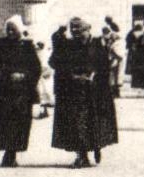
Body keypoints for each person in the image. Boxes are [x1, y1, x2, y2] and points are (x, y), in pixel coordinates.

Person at [50, 17, 118, 167]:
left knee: (93, 122)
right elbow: (56, 61)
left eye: (81, 32)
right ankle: (82, 155)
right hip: (75, 91)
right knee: (77, 122)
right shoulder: (69, 45)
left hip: (94, 92)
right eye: (74, 33)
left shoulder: (97, 45)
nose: (78, 36)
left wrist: (94, 74)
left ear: (88, 30)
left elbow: (105, 66)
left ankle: (95, 146)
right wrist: (72, 75)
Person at [0, 14, 42, 167]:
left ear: (19, 30)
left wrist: (23, 75)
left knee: (18, 123)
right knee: (3, 123)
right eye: (8, 29)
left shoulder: (27, 47)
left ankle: (11, 153)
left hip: (21, 93)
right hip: (2, 91)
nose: (10, 32)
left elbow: (36, 68)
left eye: (13, 29)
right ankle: (8, 152)